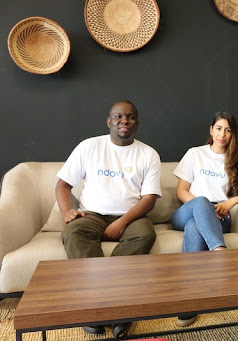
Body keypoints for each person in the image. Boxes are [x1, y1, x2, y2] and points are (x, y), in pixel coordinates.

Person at [56, 100, 162, 337]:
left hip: (132, 216)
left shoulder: (148, 154)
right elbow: (63, 186)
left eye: (130, 117)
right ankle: (101, 306)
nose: (124, 121)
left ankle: (111, 308)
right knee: (73, 232)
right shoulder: (89, 147)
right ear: (109, 121)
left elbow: (149, 199)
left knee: (146, 233)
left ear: (137, 123)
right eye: (118, 117)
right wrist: (66, 211)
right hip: (92, 214)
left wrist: (122, 222)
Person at [171, 111, 238, 327]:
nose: (223, 134)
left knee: (196, 226)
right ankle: (221, 254)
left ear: (233, 134)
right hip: (187, 210)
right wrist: (202, 206)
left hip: (220, 215)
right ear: (211, 130)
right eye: (219, 128)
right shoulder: (195, 154)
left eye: (228, 130)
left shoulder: (236, 159)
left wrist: (231, 202)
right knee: (200, 206)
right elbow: (181, 191)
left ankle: (189, 301)